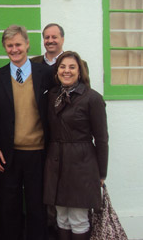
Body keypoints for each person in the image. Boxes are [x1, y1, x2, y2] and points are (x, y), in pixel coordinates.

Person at [0, 25, 54, 240]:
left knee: (37, 205)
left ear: (27, 44)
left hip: (39, 151)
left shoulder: (46, 74)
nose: (14, 49)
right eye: (9, 45)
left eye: (18, 44)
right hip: (8, 153)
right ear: (4, 48)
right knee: (9, 206)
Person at [43, 51, 108, 240]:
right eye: (62, 67)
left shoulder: (92, 98)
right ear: (57, 71)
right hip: (56, 162)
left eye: (72, 67)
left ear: (80, 71)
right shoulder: (52, 96)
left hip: (82, 163)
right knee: (61, 217)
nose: (67, 71)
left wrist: (101, 173)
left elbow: (102, 139)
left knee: (78, 218)